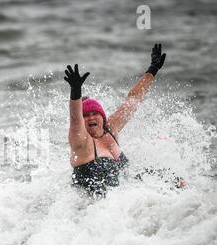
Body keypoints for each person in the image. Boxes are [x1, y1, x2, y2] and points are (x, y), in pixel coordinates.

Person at [64, 44, 167, 196]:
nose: (91, 117)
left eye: (95, 113)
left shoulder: (110, 129)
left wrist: (152, 70)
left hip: (126, 193)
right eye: (86, 115)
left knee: (171, 178)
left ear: (102, 117)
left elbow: (133, 100)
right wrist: (75, 92)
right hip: (94, 208)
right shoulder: (80, 142)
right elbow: (74, 117)